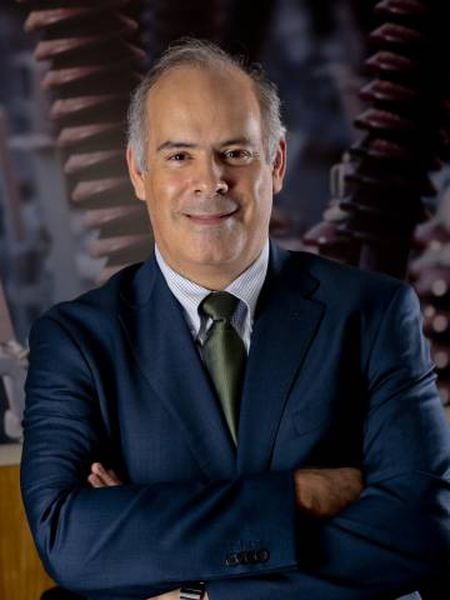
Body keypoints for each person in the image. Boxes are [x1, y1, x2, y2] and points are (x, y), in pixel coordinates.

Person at [21, 39, 449, 600]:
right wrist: (294, 496)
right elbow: (70, 541)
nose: (211, 180)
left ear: (276, 163)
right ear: (138, 172)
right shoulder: (76, 340)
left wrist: (193, 587)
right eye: (179, 156)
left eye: (236, 153)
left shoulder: (374, 313)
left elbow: (418, 530)